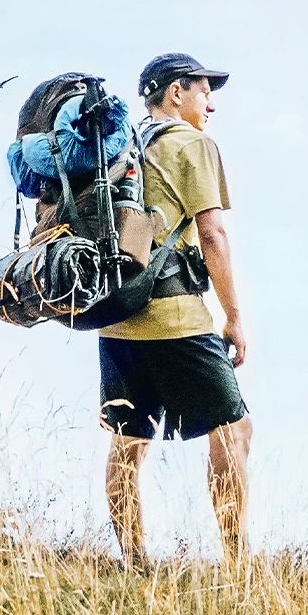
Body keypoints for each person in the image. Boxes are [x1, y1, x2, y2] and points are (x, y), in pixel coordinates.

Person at [98, 52, 254, 565]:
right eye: (205, 91)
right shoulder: (193, 144)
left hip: (115, 317)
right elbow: (211, 233)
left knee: (128, 441)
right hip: (177, 318)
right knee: (233, 430)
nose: (211, 104)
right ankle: (238, 563)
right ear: (176, 92)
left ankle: (134, 562)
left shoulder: (120, 148)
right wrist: (234, 316)